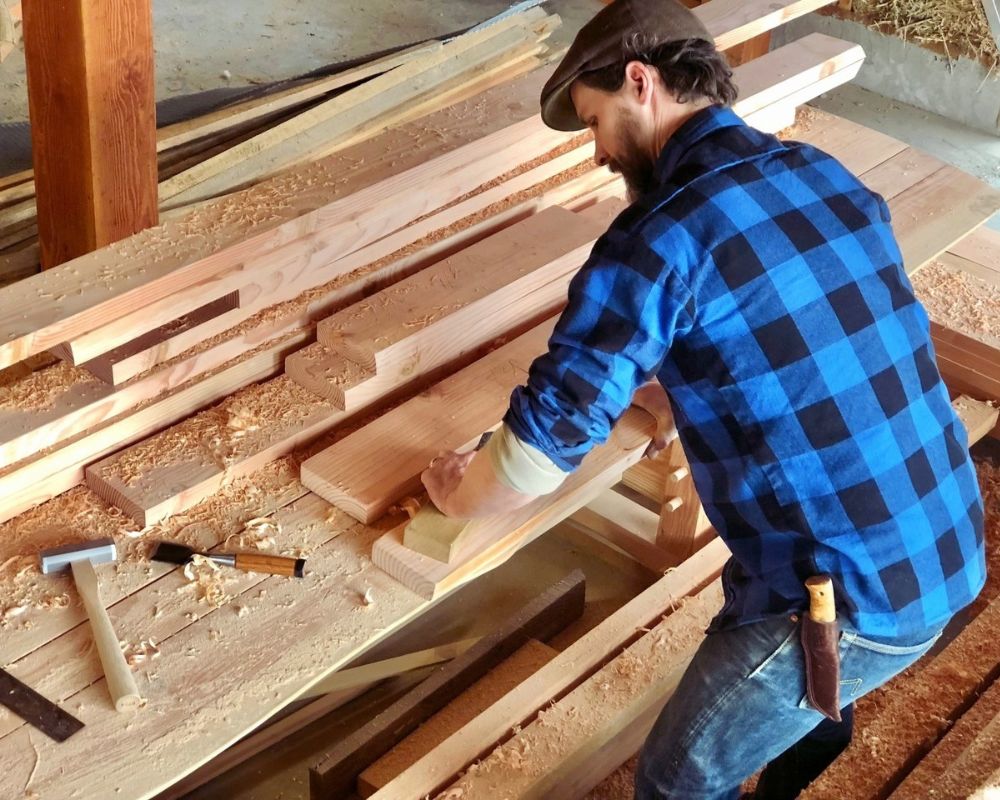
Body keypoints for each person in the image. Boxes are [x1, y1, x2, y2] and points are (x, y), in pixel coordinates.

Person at [419, 1, 986, 797]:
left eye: (594, 121)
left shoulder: (657, 236)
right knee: (801, 711)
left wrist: (465, 490)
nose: (596, 153)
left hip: (847, 608)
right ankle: (804, 757)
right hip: (946, 548)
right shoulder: (820, 174)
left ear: (640, 82)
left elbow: (545, 445)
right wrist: (673, 387)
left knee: (679, 777)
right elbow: (790, 338)